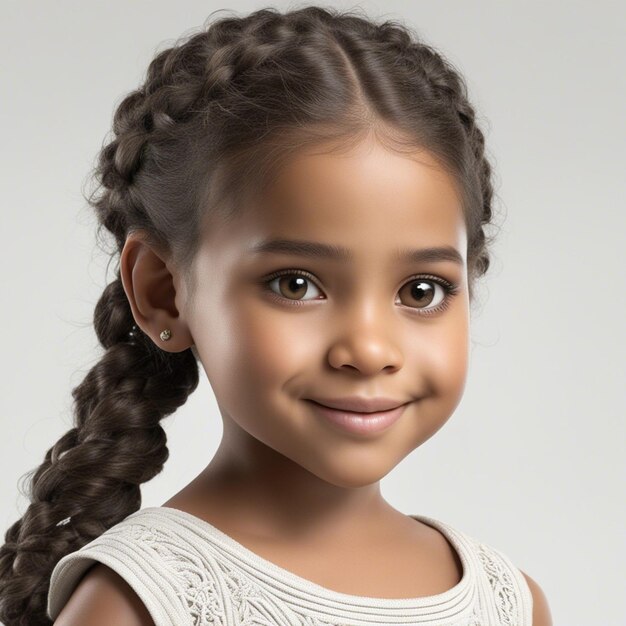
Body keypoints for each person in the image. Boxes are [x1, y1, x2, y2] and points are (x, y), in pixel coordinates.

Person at [0, 5, 553, 626]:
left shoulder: (509, 602)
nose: (369, 349)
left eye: (421, 291)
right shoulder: (140, 606)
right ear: (163, 291)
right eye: (297, 284)